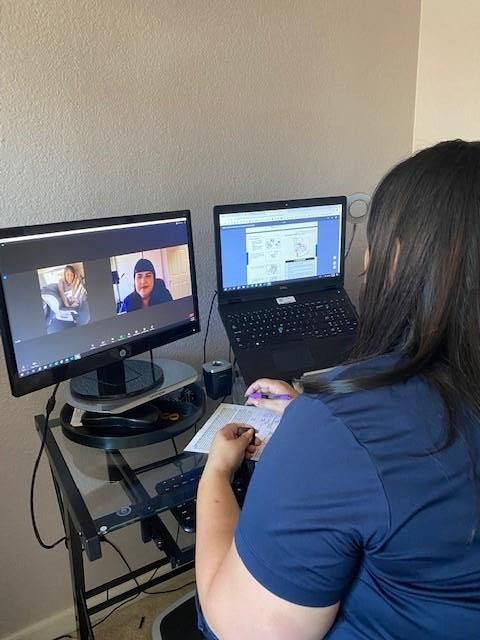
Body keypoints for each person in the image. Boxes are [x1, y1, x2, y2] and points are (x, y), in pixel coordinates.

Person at [195, 140, 480, 639]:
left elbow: (242, 628)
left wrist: (216, 475)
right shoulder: (344, 426)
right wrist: (321, 421)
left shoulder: (338, 430)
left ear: (398, 258)